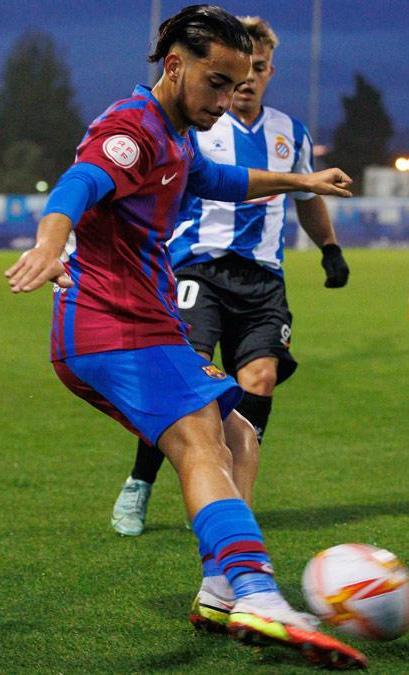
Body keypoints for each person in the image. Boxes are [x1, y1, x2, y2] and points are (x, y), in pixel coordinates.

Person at [4, 5, 366, 669]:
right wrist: (49, 245)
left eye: (238, 84)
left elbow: (221, 180)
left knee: (238, 435)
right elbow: (77, 184)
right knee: (202, 438)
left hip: (147, 325)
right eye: (217, 82)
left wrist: (300, 180)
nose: (227, 99)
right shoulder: (133, 128)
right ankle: (257, 591)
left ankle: (220, 589)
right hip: (108, 324)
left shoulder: (176, 136)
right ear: (175, 65)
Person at [110, 15, 349, 538]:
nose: (246, 81)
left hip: (263, 277)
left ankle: (236, 506)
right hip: (200, 266)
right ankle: (140, 481)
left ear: (268, 71)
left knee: (259, 379)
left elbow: (307, 197)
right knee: (188, 379)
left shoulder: (292, 133)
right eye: (236, 72)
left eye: (258, 69)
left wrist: (329, 248)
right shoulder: (199, 121)